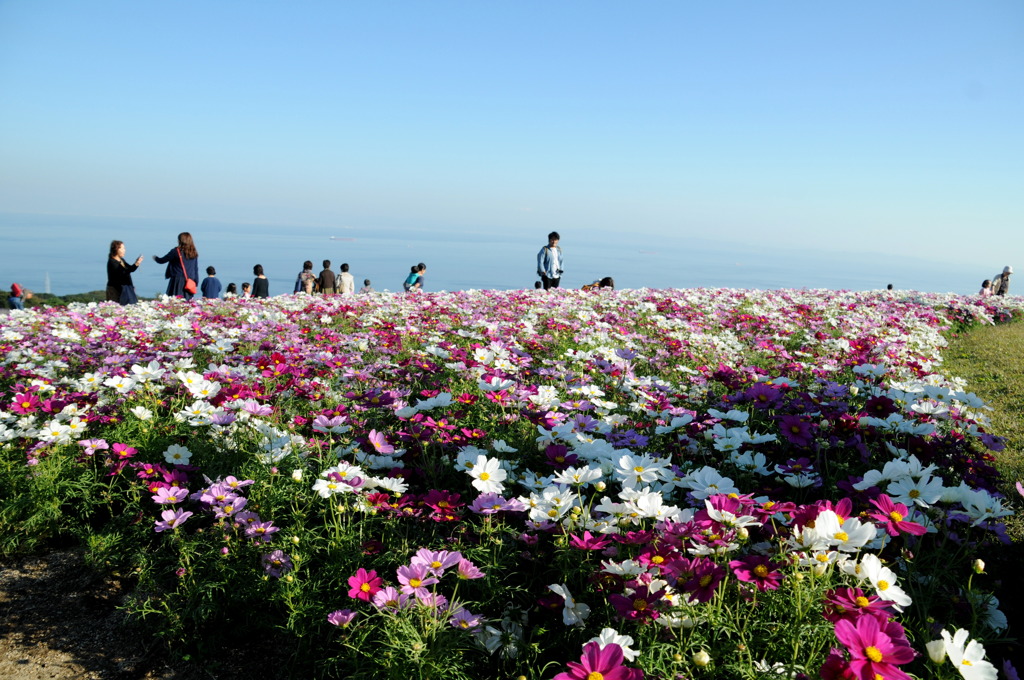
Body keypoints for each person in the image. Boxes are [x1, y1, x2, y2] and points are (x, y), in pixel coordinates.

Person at [152, 232, 199, 300]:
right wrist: (195, 283)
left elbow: (162, 260)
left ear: (180, 240)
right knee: (188, 303)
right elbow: (195, 268)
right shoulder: (193, 252)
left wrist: (155, 258)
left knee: (175, 300)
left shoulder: (176, 251)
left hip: (178, 280)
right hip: (190, 281)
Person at [106, 240, 144, 305]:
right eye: (123, 248)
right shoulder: (112, 262)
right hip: (116, 291)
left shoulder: (121, 260)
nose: (124, 250)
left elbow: (130, 269)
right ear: (116, 249)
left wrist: (137, 263)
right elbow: (123, 273)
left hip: (125, 290)